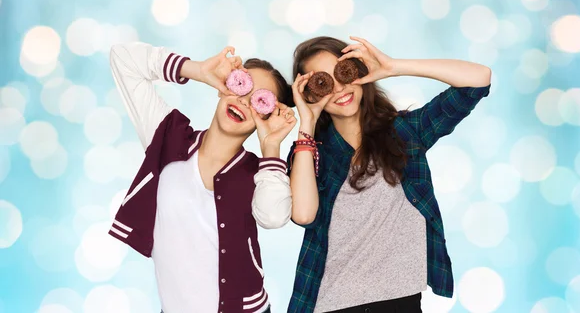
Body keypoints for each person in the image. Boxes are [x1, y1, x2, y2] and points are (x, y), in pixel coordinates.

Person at [287, 36, 491, 313]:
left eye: (342, 72)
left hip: (401, 301)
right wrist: (307, 122)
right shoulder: (310, 151)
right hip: (333, 302)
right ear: (309, 92)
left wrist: (393, 66)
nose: (338, 89)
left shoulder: (406, 133)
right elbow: (303, 215)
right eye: (322, 83)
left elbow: (478, 79)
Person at [108, 42, 296, 313]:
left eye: (259, 100)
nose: (244, 101)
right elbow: (122, 57)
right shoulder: (168, 136)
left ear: (265, 116)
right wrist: (197, 70)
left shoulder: (261, 172)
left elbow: (273, 217)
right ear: (224, 86)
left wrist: (271, 147)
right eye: (241, 84)